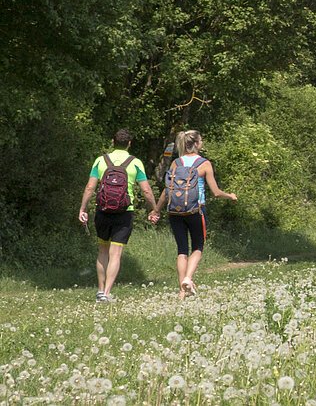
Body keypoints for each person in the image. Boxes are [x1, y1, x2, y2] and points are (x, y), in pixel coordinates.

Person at [77, 129, 158, 302]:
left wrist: (83, 209)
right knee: (115, 253)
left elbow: (90, 187)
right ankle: (107, 293)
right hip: (124, 212)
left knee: (102, 251)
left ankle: (100, 291)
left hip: (102, 210)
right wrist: (154, 209)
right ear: (129, 144)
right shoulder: (135, 162)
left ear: (113, 142)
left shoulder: (100, 160)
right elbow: (146, 190)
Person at [161, 129, 235, 297]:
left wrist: (157, 209)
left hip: (175, 212)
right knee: (198, 247)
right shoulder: (204, 164)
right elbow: (216, 192)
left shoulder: (176, 163)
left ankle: (182, 292)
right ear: (196, 144)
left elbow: (167, 191)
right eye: (201, 140)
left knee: (182, 250)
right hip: (196, 210)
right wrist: (230, 196)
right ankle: (188, 278)